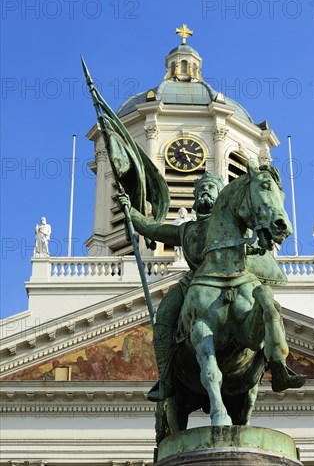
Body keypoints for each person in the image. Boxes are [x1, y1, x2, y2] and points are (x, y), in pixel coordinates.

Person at [117, 171, 301, 401]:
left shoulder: (242, 228)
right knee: (164, 316)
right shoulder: (186, 230)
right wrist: (130, 211)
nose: (205, 191)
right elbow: (152, 229)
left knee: (269, 304)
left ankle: (278, 363)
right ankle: (165, 380)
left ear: (224, 194)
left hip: (237, 275)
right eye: (200, 189)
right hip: (193, 284)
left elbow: (260, 233)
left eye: (211, 187)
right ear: (194, 199)